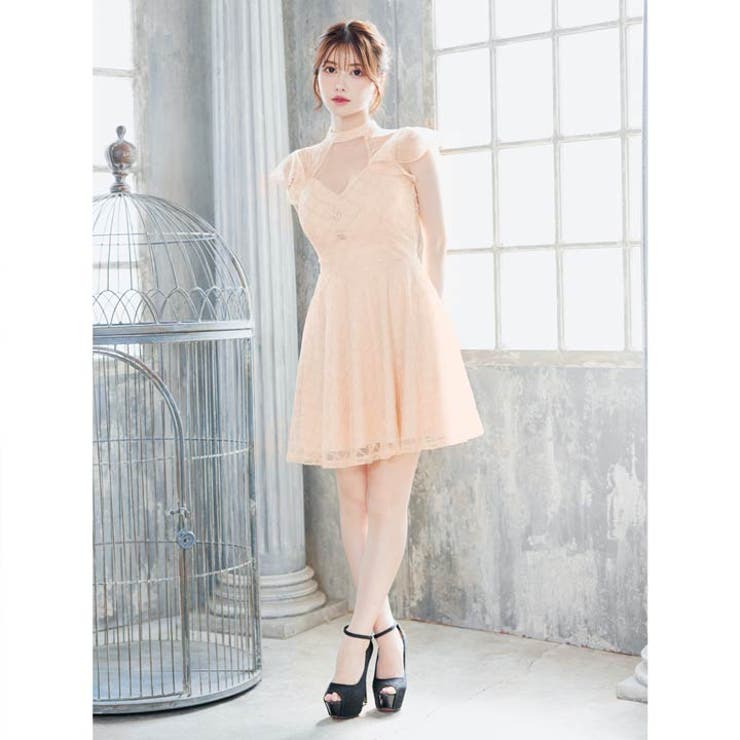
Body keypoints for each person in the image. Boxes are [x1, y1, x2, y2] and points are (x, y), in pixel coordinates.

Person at [270, 19, 484, 719]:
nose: (341, 83)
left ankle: (354, 641)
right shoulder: (299, 167)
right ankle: (387, 637)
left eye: (356, 71)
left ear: (378, 80)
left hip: (403, 328)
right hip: (337, 331)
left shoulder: (407, 148)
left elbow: (439, 242)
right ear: (316, 77)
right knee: (352, 499)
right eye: (330, 69)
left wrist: (430, 331)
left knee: (389, 497)